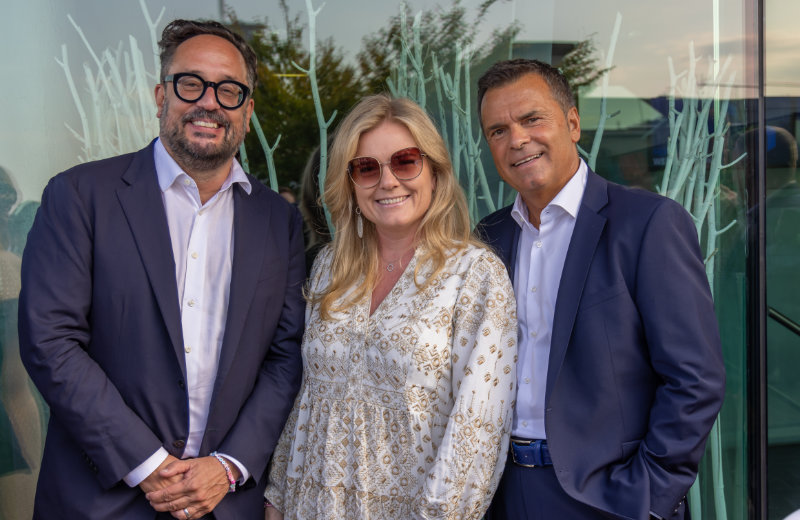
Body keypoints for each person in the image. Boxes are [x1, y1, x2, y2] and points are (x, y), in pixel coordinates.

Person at [18, 19, 304, 519]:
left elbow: (284, 356)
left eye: (229, 90)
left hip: (224, 501)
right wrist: (148, 463)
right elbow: (50, 340)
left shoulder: (278, 221)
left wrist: (229, 465)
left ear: (247, 110)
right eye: (191, 83)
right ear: (160, 95)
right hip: (100, 501)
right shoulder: (80, 196)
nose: (210, 102)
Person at [475, 58, 726, 520]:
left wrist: (647, 495)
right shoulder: (487, 238)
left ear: (573, 124)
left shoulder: (647, 224)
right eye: (498, 130)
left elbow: (695, 379)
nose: (517, 140)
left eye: (532, 119)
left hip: (608, 499)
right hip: (504, 494)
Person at [263, 94, 518, 519]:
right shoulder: (330, 267)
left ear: (434, 172)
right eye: (366, 168)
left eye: (405, 162)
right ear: (350, 183)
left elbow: (477, 432)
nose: (387, 181)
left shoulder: (475, 275)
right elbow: (310, 399)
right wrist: (277, 498)